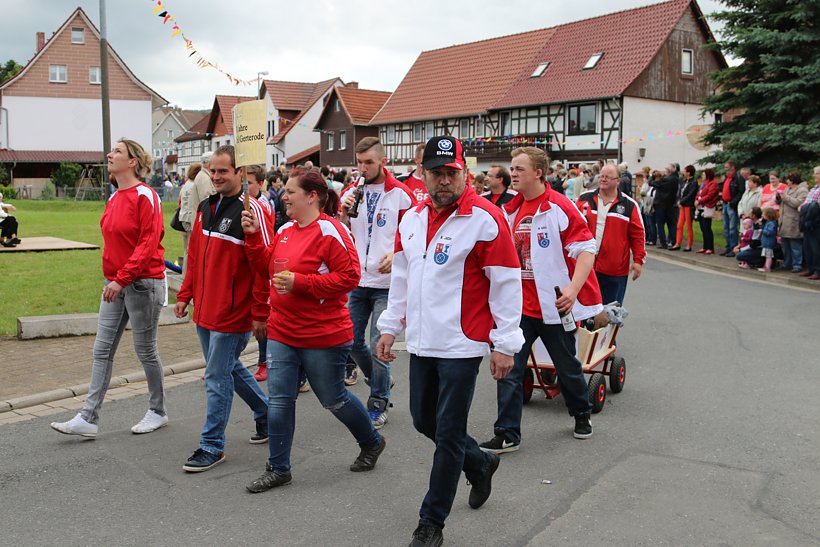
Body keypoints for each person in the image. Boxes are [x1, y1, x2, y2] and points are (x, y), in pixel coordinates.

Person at [375, 136, 524, 546]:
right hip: (423, 342)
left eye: (451, 172)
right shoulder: (412, 220)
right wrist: (391, 325)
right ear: (423, 174)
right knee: (426, 421)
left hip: (463, 343)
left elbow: (507, 286)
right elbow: (401, 280)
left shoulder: (485, 219)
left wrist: (505, 344)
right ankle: (479, 462)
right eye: (436, 172)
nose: (444, 180)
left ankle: (431, 523)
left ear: (463, 172)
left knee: (448, 432)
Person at [240, 167, 386, 493]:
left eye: (291, 192)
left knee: (333, 399)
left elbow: (348, 278)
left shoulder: (331, 232)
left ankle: (372, 441)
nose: (284, 196)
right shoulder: (286, 229)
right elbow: (266, 266)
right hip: (282, 331)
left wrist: (301, 283)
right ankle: (278, 468)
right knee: (279, 401)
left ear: (312, 196)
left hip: (323, 335)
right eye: (285, 191)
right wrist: (252, 237)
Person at [479, 145, 602, 459]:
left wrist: (572, 291)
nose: (513, 173)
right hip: (518, 308)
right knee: (509, 368)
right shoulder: (510, 209)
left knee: (567, 366)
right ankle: (507, 434)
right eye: (512, 168)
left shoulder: (559, 207)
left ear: (538, 172)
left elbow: (586, 249)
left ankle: (581, 413)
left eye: (520, 168)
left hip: (554, 306)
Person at [50, 139, 168, 437]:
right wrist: (113, 278)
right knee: (101, 350)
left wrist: (122, 278)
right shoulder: (115, 197)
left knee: (145, 350)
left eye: (117, 151)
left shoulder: (146, 196)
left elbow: (148, 243)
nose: (109, 154)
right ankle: (88, 418)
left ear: (132, 162)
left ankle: (158, 411)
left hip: (142, 284)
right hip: (115, 283)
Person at [175, 145, 273, 473]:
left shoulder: (252, 210)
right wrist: (185, 295)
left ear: (239, 173)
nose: (216, 177)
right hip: (205, 309)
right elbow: (196, 259)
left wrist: (260, 312)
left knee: (216, 375)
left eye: (223, 171)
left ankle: (212, 445)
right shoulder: (205, 206)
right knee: (229, 369)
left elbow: (264, 267)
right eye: (212, 171)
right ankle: (268, 416)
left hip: (234, 313)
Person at [339, 137, 415, 429]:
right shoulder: (351, 191)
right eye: (359, 162)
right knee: (349, 341)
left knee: (377, 343)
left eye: (368, 162)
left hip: (388, 283)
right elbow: (342, 234)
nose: (363, 168)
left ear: (383, 162)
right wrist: (343, 215)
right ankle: (379, 375)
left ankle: (378, 401)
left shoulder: (401, 195)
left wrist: (398, 255)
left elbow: (415, 235)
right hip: (358, 279)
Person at [577, 163, 646, 305]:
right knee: (584, 311)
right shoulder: (584, 199)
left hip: (614, 269)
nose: (603, 179)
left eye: (608, 177)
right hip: (585, 266)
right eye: (601, 176)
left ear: (618, 181)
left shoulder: (629, 205)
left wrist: (638, 261)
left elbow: (638, 235)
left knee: (610, 311)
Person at [777, 172, 808, 273]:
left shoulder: (802, 190)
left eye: (788, 179)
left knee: (795, 245)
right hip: (784, 220)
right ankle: (787, 263)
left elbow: (798, 203)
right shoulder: (787, 189)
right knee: (785, 244)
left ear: (792, 180)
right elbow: (782, 202)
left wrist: (785, 197)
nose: (786, 181)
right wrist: (778, 198)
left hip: (794, 220)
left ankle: (797, 265)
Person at [719, 160, 744, 257]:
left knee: (732, 228)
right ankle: (728, 246)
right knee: (726, 227)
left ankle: (733, 247)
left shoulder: (738, 178)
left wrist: (733, 203)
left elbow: (740, 192)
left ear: (732, 167)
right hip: (725, 204)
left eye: (727, 167)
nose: (725, 168)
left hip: (731, 205)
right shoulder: (728, 177)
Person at [799, 166, 820, 280]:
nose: (813, 176)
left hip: (816, 222)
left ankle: (818, 270)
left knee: (816, 247)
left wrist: (808, 208)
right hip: (807, 221)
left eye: (816, 174)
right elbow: (804, 205)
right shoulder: (813, 189)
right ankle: (810, 268)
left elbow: (817, 206)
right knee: (808, 247)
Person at [649, 165, 678, 249]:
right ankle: (673, 241)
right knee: (671, 224)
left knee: (660, 224)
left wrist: (652, 175)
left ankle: (663, 243)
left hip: (660, 204)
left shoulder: (665, 180)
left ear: (669, 171)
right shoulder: (676, 179)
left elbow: (651, 183)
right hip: (670, 204)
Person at [671, 165, 697, 251]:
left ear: (688, 173)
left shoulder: (693, 182)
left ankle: (689, 245)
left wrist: (681, 201)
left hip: (688, 206)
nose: (683, 172)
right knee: (679, 225)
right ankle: (678, 243)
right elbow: (679, 192)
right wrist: (678, 200)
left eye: (685, 171)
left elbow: (690, 194)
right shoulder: (683, 181)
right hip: (682, 206)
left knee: (688, 226)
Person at [695, 168, 720, 254]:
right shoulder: (703, 184)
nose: (702, 176)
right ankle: (705, 246)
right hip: (701, 208)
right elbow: (699, 193)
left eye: (703, 174)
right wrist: (696, 199)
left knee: (707, 228)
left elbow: (710, 195)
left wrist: (700, 201)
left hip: (707, 207)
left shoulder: (713, 184)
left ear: (708, 175)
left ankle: (710, 247)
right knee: (703, 228)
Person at [637, 172, 656, 246]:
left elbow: (651, 197)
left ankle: (652, 239)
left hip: (650, 207)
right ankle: (648, 238)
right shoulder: (649, 188)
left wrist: (643, 195)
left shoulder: (653, 188)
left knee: (651, 223)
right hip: (645, 205)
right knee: (647, 223)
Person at [758, 207, 778, 272]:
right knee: (767, 255)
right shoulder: (768, 222)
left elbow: (770, 232)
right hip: (766, 242)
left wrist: (762, 231)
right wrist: (761, 225)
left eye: (764, 214)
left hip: (769, 242)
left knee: (768, 256)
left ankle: (767, 267)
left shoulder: (771, 223)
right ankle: (766, 266)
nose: (762, 215)